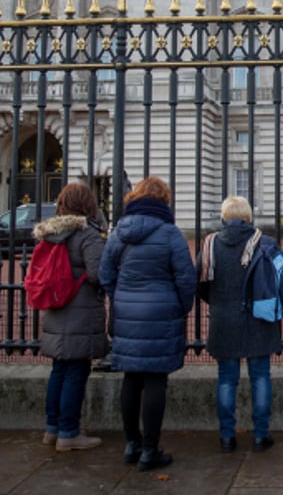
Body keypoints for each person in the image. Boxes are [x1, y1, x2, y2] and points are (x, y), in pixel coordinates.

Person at [99, 177, 197, 471]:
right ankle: (150, 450)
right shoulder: (170, 233)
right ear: (164, 201)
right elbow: (186, 278)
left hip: (127, 313)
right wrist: (180, 307)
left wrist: (123, 299)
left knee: (131, 378)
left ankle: (132, 445)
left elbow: (105, 274)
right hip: (161, 312)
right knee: (156, 380)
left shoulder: (119, 233)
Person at [199, 196, 282, 453]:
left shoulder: (211, 244)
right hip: (258, 317)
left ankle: (226, 436)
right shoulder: (265, 243)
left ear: (224, 218)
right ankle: (260, 434)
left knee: (226, 379)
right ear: (249, 217)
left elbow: (200, 283)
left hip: (224, 318)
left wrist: (219, 303)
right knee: (260, 377)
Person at [35, 182, 109, 452]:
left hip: (56, 308)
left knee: (59, 370)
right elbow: (97, 273)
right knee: (77, 370)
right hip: (80, 310)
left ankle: (52, 429)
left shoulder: (51, 232)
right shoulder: (86, 232)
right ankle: (69, 432)